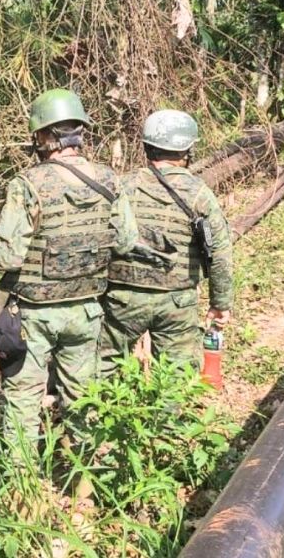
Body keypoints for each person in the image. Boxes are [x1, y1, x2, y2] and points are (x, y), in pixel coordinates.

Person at [0, 88, 144, 461]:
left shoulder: (27, 183)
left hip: (35, 313)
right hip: (86, 310)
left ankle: (22, 495)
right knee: (83, 397)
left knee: (23, 400)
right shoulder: (110, 179)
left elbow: (10, 257)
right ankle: (86, 487)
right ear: (79, 132)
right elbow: (128, 242)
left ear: (42, 136)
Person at [100, 109, 233, 372]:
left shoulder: (122, 186)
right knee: (176, 374)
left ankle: (101, 412)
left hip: (123, 297)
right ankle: (167, 414)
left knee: (103, 367)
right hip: (177, 301)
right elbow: (219, 252)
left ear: (147, 147)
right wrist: (220, 304)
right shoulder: (199, 194)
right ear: (187, 150)